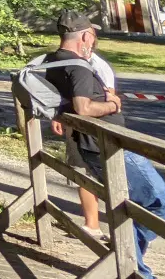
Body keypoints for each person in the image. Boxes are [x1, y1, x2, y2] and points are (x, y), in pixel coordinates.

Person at [46, 10, 165, 279]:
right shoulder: (79, 66)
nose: (93, 41)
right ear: (85, 36)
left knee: (129, 205)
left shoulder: (53, 61)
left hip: (91, 146)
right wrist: (113, 104)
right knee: (162, 206)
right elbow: (84, 108)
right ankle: (130, 262)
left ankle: (129, 260)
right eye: (92, 36)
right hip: (109, 146)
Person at [50, 48, 116, 241]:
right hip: (76, 127)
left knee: (110, 177)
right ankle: (92, 224)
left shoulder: (98, 66)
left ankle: (119, 230)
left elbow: (109, 96)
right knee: (81, 172)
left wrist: (112, 106)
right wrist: (60, 115)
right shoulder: (64, 62)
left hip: (98, 131)